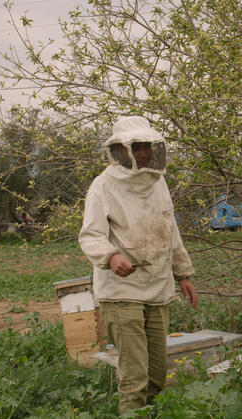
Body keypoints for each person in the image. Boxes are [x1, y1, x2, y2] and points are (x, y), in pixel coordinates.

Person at [79, 115, 197, 414]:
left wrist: (183, 273)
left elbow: (170, 229)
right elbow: (91, 234)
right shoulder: (103, 186)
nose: (143, 154)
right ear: (119, 150)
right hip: (121, 293)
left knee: (156, 376)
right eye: (137, 148)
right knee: (135, 378)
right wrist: (110, 256)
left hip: (157, 288)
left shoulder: (158, 183)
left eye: (147, 147)